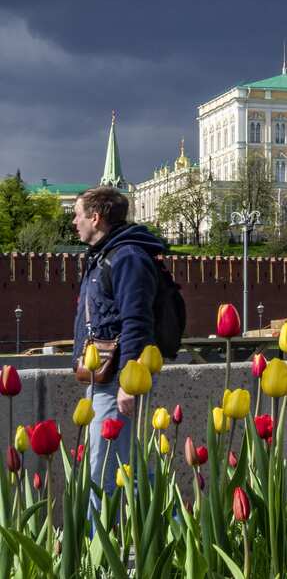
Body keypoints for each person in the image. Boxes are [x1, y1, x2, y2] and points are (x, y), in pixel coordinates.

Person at [71, 187, 166, 494]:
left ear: (95, 218)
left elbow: (137, 321)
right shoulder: (104, 256)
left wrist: (128, 380)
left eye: (78, 215)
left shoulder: (126, 257)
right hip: (103, 378)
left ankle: (97, 540)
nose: (74, 222)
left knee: (103, 473)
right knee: (130, 470)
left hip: (115, 383)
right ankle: (171, 532)